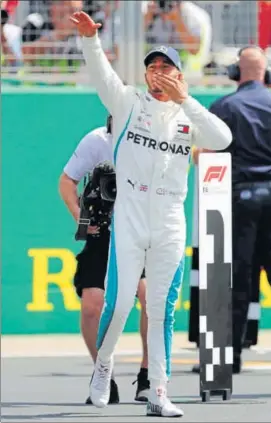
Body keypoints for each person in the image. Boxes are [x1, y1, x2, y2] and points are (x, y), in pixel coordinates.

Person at [70, 10, 232, 418]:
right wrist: (90, 40)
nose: (158, 72)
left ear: (180, 74)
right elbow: (103, 74)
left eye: (167, 66)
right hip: (130, 215)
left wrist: (186, 100)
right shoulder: (127, 103)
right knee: (121, 303)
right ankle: (103, 366)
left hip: (170, 218)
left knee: (162, 307)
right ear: (144, 75)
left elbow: (223, 138)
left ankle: (158, 391)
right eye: (152, 66)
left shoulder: (187, 115)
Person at [59, 116, 150, 404]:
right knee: (91, 307)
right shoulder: (97, 140)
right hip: (103, 234)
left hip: (139, 232)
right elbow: (66, 181)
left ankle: (148, 374)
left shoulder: (151, 139)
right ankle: (102, 372)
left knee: (149, 297)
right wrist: (81, 217)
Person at [193, 46, 271, 373]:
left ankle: (229, 358)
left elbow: (208, 154)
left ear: (235, 74)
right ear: (266, 74)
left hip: (239, 200)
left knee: (236, 279)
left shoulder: (225, 106)